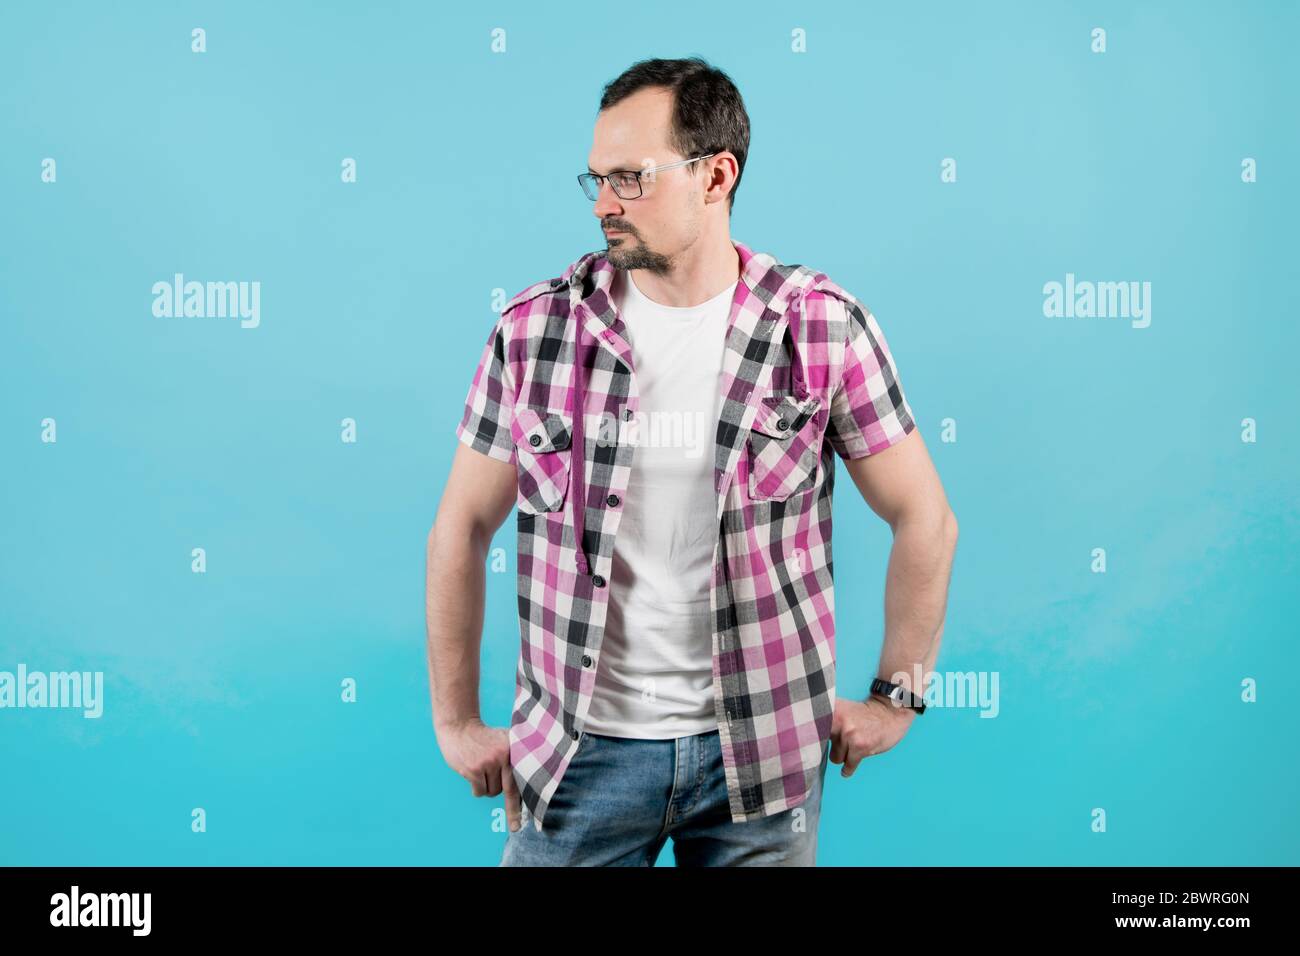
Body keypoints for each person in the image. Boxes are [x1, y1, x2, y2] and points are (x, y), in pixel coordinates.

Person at [426, 57, 958, 866]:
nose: (605, 203)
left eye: (631, 179)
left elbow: (926, 518)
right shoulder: (536, 334)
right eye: (597, 179)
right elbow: (461, 527)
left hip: (762, 753)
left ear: (716, 177)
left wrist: (898, 697)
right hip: (577, 758)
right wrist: (457, 722)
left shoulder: (821, 328)